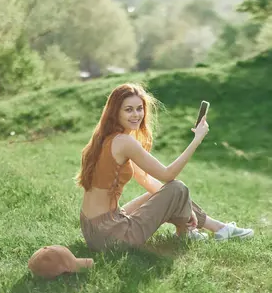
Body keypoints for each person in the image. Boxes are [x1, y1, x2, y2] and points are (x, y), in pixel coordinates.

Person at [75, 83, 254, 252]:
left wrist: (186, 206)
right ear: (115, 112)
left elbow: (145, 179)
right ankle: (190, 233)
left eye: (139, 108)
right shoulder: (124, 142)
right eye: (128, 110)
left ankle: (216, 228)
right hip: (112, 234)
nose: (136, 115)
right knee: (177, 187)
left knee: (165, 192)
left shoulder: (106, 138)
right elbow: (168, 175)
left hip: (93, 230)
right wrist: (197, 139)